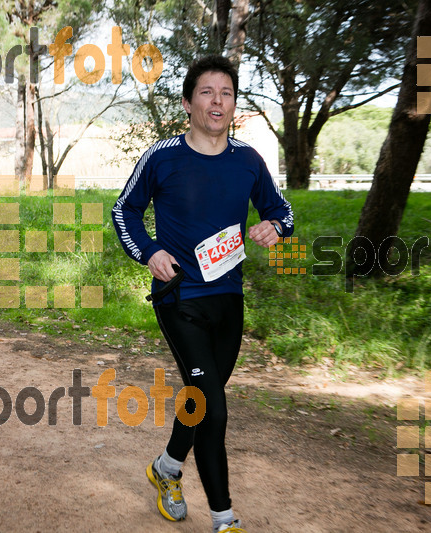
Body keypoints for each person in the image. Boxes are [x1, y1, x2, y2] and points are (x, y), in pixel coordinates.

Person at [111, 55, 294, 533]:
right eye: (207, 92)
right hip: (179, 298)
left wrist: (274, 226)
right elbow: (123, 210)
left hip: (229, 300)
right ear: (190, 101)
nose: (217, 101)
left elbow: (282, 211)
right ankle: (224, 519)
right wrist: (149, 252)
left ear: (234, 103)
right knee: (213, 406)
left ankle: (167, 468)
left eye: (226, 93)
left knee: (200, 396)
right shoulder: (163, 156)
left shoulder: (248, 161)